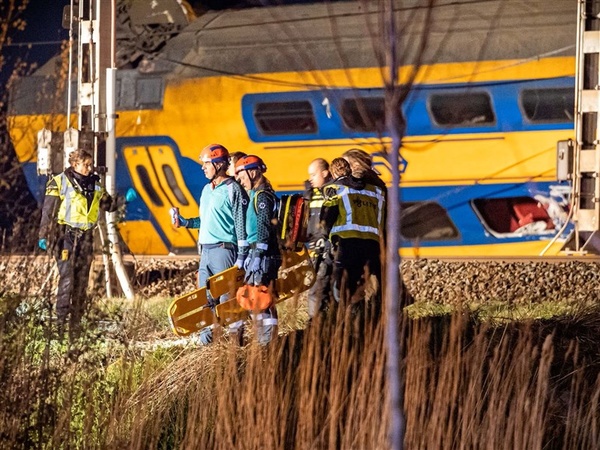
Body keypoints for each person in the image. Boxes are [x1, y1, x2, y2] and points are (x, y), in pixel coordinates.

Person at [171, 143, 249, 345]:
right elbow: (204, 220)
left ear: (219, 164)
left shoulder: (234, 189)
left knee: (227, 299)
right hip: (205, 252)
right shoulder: (206, 189)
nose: (202, 168)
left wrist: (242, 254)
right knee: (205, 300)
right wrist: (186, 222)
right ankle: (207, 348)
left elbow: (240, 222)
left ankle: (235, 345)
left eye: (206, 164)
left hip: (224, 251)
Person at [38, 148, 120, 334]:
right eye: (86, 165)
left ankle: (76, 323)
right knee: (67, 278)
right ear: (75, 164)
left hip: (86, 238)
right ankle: (60, 323)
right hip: (65, 237)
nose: (90, 168)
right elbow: (48, 211)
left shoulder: (95, 185)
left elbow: (109, 205)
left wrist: (124, 201)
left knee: (82, 281)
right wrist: (43, 235)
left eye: (90, 164)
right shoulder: (59, 182)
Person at [321, 157, 386, 306]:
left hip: (346, 243)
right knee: (367, 284)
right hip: (372, 245)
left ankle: (347, 318)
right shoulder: (376, 191)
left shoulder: (336, 189)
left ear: (333, 173)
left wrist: (327, 237)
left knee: (343, 286)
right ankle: (370, 315)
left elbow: (326, 219)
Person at [234, 155, 281, 345]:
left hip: (264, 254)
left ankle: (268, 341)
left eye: (242, 174)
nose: (239, 179)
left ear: (253, 172)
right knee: (255, 299)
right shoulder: (255, 194)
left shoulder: (263, 196)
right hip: (257, 253)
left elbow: (263, 226)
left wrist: (258, 255)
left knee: (262, 298)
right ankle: (264, 339)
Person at [304, 158, 333, 318]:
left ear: (325, 173)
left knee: (317, 291)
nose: (310, 178)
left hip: (326, 252)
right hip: (314, 251)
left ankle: (314, 324)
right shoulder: (311, 195)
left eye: (313, 174)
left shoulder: (331, 194)